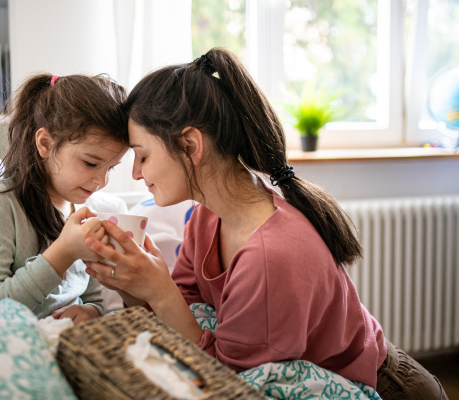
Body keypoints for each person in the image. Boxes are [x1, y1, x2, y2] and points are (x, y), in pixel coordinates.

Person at [83, 49, 448, 399]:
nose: (135, 173)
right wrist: (136, 286)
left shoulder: (271, 255)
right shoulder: (208, 216)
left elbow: (230, 381)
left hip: (386, 387)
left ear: (192, 146)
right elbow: (187, 312)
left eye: (142, 155)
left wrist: (159, 291)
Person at [0, 73, 129, 324]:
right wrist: (63, 253)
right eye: (91, 162)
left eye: (111, 167)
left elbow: (92, 298)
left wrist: (91, 312)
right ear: (45, 143)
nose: (102, 181)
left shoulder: (79, 209)